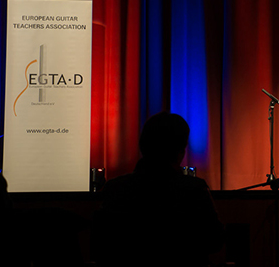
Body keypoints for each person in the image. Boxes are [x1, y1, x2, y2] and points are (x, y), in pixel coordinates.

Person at [94, 112, 224, 266]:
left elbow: (100, 243)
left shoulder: (114, 188)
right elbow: (214, 241)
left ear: (143, 145)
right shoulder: (194, 189)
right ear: (180, 151)